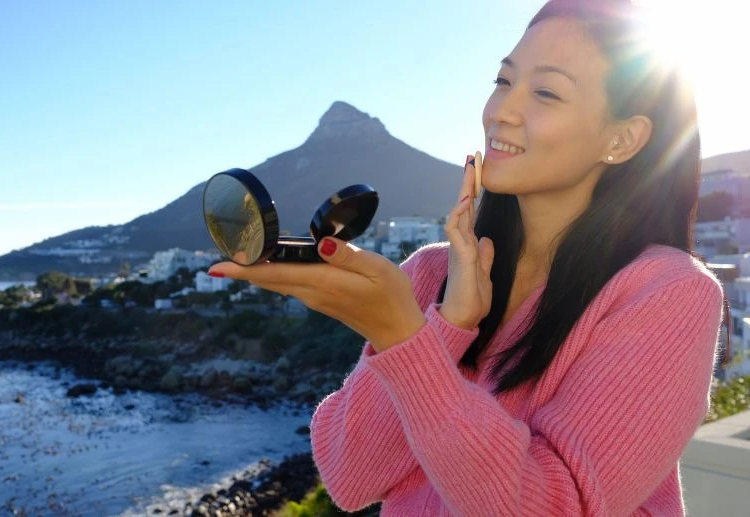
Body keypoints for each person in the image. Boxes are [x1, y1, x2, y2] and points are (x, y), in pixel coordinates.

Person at [207, 0, 726, 514]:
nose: (501, 110)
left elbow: (557, 508)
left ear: (622, 138)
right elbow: (351, 477)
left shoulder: (668, 294)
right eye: (503, 80)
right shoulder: (433, 272)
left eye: (545, 92)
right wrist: (446, 325)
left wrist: (404, 339)